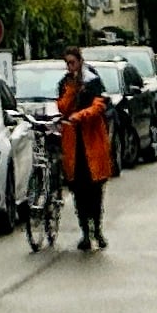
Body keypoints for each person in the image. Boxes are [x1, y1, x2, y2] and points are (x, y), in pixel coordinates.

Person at [59, 49, 113, 252]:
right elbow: (63, 107)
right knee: (79, 192)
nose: (70, 67)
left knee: (95, 191)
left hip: (92, 141)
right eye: (67, 63)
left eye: (72, 62)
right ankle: (84, 233)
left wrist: (80, 116)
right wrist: (72, 89)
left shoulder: (93, 80)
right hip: (74, 145)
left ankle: (97, 229)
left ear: (80, 62)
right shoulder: (66, 82)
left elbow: (99, 105)